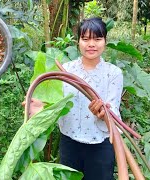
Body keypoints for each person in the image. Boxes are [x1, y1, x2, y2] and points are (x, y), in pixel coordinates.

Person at [26, 17, 123, 180]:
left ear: (105, 41)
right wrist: (40, 109)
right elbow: (57, 104)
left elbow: (113, 110)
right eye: (85, 39)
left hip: (100, 146)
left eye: (97, 39)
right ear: (78, 42)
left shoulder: (113, 73)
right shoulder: (66, 71)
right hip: (69, 143)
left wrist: (103, 114)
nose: (91, 44)